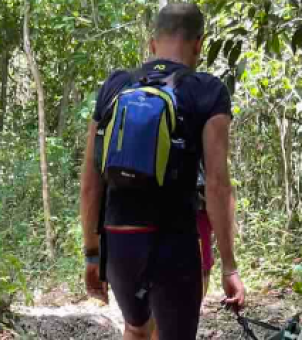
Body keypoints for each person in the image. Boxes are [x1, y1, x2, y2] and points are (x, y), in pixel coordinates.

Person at [79, 4, 245, 340]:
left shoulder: (116, 86)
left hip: (120, 238)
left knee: (136, 331)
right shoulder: (208, 91)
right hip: (174, 242)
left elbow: (90, 184)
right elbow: (217, 185)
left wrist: (92, 254)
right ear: (199, 43)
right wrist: (229, 266)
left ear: (152, 43)